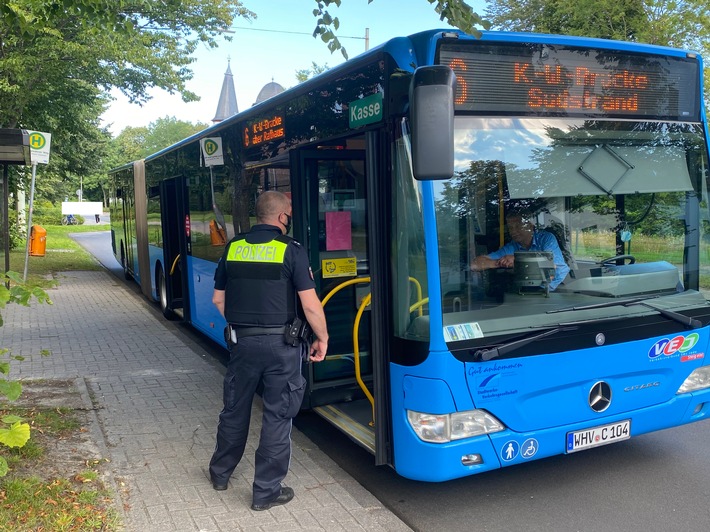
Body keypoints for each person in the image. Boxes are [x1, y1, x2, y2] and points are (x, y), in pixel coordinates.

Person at [208, 190, 328, 511]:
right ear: (281, 217)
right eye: (288, 213)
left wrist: (242, 327)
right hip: (283, 347)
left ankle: (220, 474)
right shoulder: (292, 251)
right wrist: (322, 338)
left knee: (234, 408)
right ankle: (265, 492)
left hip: (242, 345)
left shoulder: (233, 248)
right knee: (277, 415)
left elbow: (218, 300)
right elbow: (310, 305)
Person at [470, 209, 570, 290]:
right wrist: (500, 262)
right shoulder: (511, 247)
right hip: (533, 291)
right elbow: (474, 265)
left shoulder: (546, 238)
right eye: (510, 228)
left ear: (530, 226)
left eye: (518, 227)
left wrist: (517, 260)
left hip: (561, 287)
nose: (513, 231)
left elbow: (550, 268)